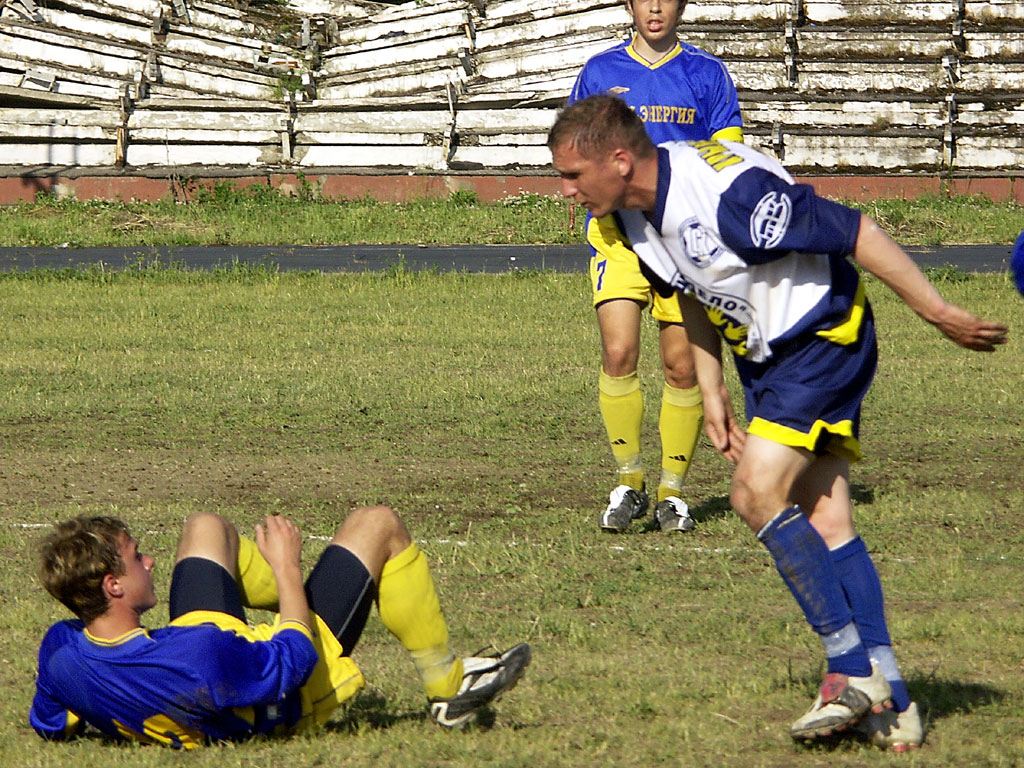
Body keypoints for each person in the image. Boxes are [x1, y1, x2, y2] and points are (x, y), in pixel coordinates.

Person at [547, 94, 1008, 750]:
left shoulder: (732, 196)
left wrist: (937, 312)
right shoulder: (630, 217)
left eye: (572, 175)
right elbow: (690, 290)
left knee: (753, 493)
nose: (565, 190)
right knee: (827, 520)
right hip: (767, 357)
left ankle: (850, 669)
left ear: (620, 161)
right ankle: (895, 705)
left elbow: (857, 231)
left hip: (824, 338)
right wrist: (712, 387)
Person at [30, 508, 530, 747]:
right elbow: (294, 656)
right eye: (138, 558)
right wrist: (287, 567)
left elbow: (51, 721)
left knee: (206, 526)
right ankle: (448, 686)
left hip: (206, 656)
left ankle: (314, 584)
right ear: (114, 585)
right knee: (378, 525)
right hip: (278, 682)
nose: (151, 560)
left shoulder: (62, 651)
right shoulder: (199, 656)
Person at [569, 0, 744, 535]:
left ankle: (672, 492)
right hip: (617, 236)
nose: (655, 8)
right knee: (619, 350)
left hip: (680, 242)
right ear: (628, 4)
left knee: (682, 367)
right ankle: (629, 482)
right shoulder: (601, 74)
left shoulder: (707, 74)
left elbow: (728, 158)